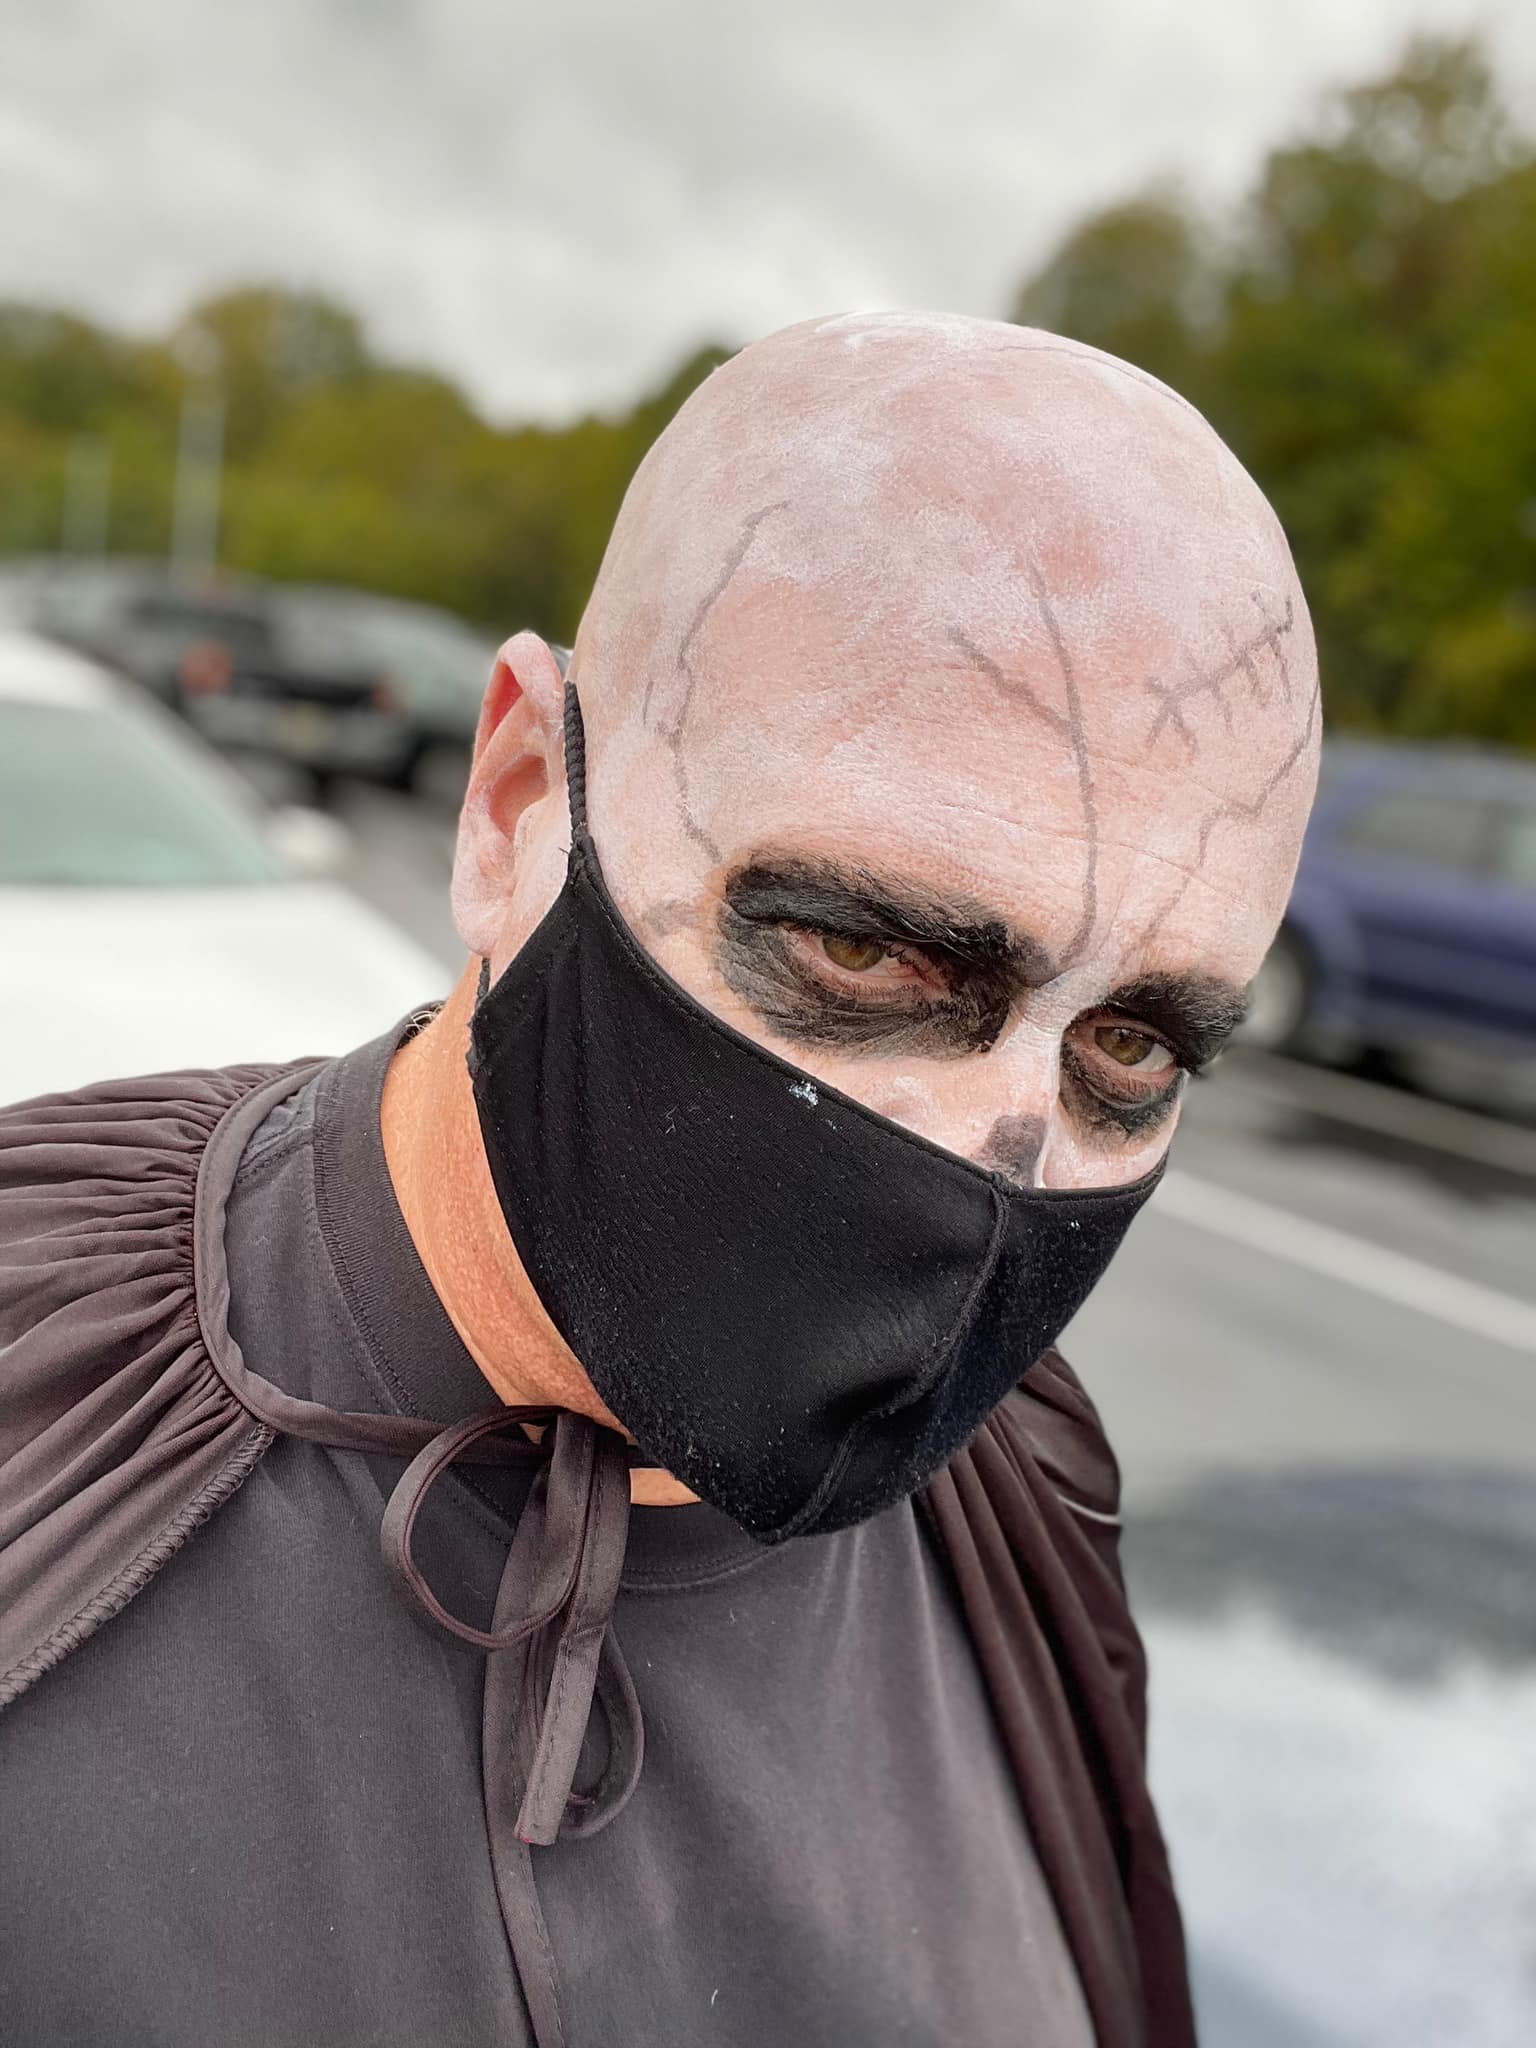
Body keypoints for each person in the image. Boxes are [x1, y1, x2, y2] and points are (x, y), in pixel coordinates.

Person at [0, 311, 1318, 2048]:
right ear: (516, 806)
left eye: (1133, 1047)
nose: (999, 1158)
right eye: (865, 952)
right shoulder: (41, 1420)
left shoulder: (1026, 1507)